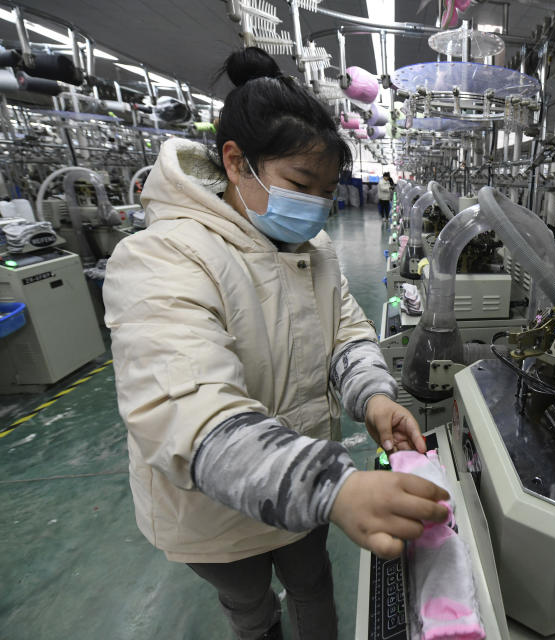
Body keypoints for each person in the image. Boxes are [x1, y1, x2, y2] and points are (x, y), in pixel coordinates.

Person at [102, 47, 448, 640]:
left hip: (303, 491)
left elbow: (346, 335)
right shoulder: (163, 258)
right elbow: (189, 417)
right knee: (250, 606)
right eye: (299, 184)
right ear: (236, 163)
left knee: (313, 586)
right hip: (214, 510)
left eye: (328, 191)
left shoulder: (314, 255)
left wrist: (373, 397)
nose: (315, 206)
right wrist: (333, 487)